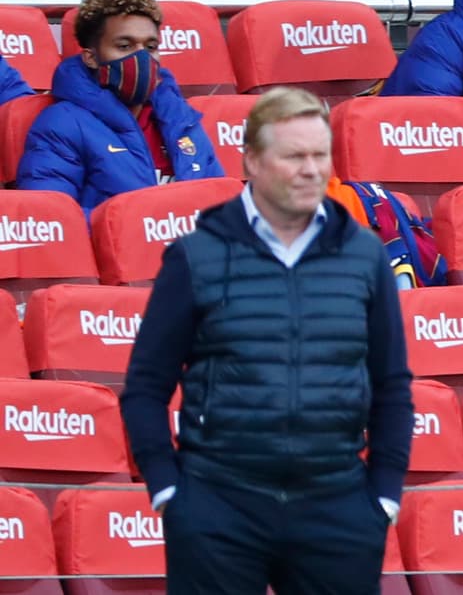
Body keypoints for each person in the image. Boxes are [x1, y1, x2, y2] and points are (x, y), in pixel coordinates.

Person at [120, 87, 412, 595]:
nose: (310, 170)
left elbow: (391, 385)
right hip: (217, 507)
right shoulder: (195, 256)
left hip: (338, 508)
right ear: (251, 160)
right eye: (293, 156)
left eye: (320, 155)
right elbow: (146, 385)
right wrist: (169, 490)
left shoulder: (366, 256)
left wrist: (382, 496)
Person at [17, 0, 223, 217]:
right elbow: (53, 220)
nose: (141, 58)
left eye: (151, 47)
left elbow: (222, 209)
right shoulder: (62, 124)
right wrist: (134, 228)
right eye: (124, 46)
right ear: (91, 58)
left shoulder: (183, 121)